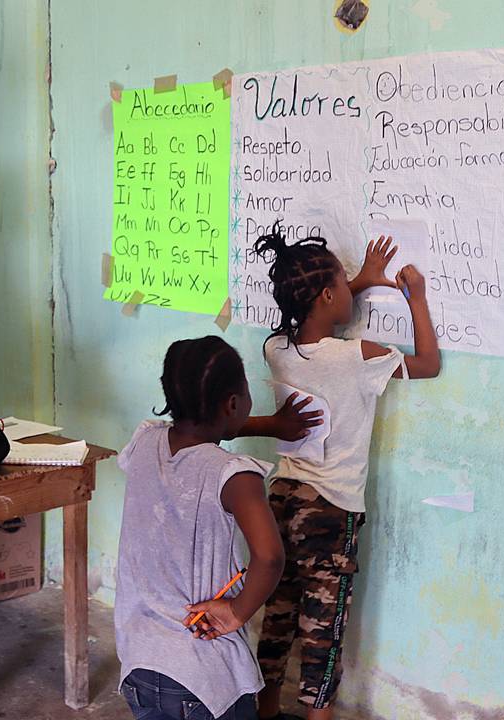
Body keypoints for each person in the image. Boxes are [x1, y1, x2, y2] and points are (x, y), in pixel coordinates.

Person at [251, 227, 440, 720]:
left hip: (283, 499)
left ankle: (265, 709)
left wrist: (356, 281)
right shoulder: (357, 357)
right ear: (330, 294)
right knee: (323, 634)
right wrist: (414, 297)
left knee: (279, 616)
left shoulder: (276, 349)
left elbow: (313, 316)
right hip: (331, 512)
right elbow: (428, 364)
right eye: (342, 279)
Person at [114, 335, 322, 720]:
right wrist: (238, 611)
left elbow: (195, 438)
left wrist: (269, 426)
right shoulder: (235, 476)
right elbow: (270, 557)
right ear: (232, 404)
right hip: (202, 673)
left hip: (139, 663)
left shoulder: (144, 441)